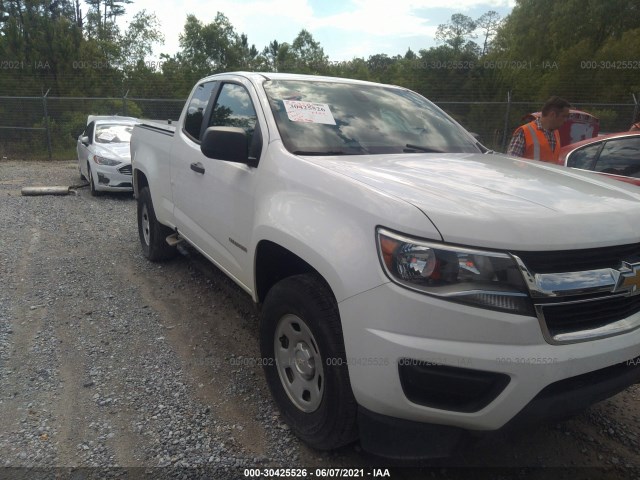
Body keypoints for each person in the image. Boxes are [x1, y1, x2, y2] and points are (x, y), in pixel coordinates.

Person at [507, 96, 571, 162]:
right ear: (552, 114)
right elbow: (511, 163)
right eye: (563, 116)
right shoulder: (524, 132)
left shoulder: (556, 133)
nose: (565, 120)